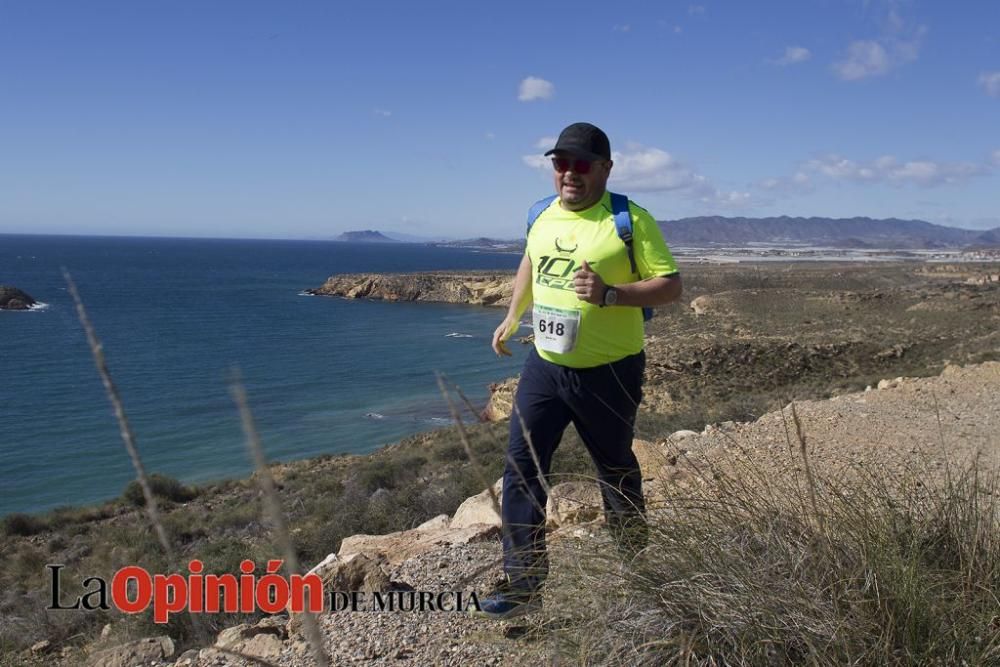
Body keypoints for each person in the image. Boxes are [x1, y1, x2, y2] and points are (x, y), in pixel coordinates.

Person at [476, 122, 682, 620]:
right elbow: (531, 259)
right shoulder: (539, 215)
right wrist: (512, 313)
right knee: (522, 468)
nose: (570, 173)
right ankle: (524, 582)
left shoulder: (630, 220)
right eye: (561, 163)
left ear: (605, 169)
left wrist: (613, 294)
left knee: (614, 469)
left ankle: (637, 571)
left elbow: (670, 286)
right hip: (545, 367)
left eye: (582, 163)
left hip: (609, 371)